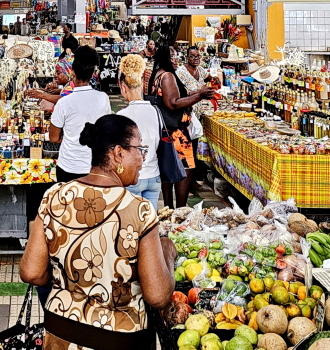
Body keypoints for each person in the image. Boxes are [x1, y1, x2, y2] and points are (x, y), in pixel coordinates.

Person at [20, 114, 177, 349]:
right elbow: (158, 296)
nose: (142, 159)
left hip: (60, 331)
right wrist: (167, 253)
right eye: (140, 149)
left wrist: (65, 283)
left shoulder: (53, 196)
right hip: (120, 337)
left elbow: (31, 272)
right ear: (118, 154)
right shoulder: (139, 210)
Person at [149, 44, 213, 208]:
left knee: (167, 169)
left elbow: (177, 94)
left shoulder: (158, 74)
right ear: (167, 59)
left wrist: (196, 93)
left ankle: (169, 208)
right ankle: (181, 209)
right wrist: (200, 96)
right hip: (176, 130)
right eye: (173, 57)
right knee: (186, 170)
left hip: (164, 128)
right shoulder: (168, 76)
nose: (177, 60)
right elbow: (173, 103)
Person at [48, 45, 112, 182]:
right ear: (92, 74)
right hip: (94, 167)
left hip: (69, 167)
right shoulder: (103, 98)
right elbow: (105, 131)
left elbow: (53, 138)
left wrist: (69, 138)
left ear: (73, 73)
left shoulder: (64, 103)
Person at [116, 54, 160, 208]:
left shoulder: (122, 116)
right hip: (154, 176)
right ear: (142, 84)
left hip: (132, 177)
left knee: (132, 227)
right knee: (150, 226)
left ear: (123, 86)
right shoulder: (156, 112)